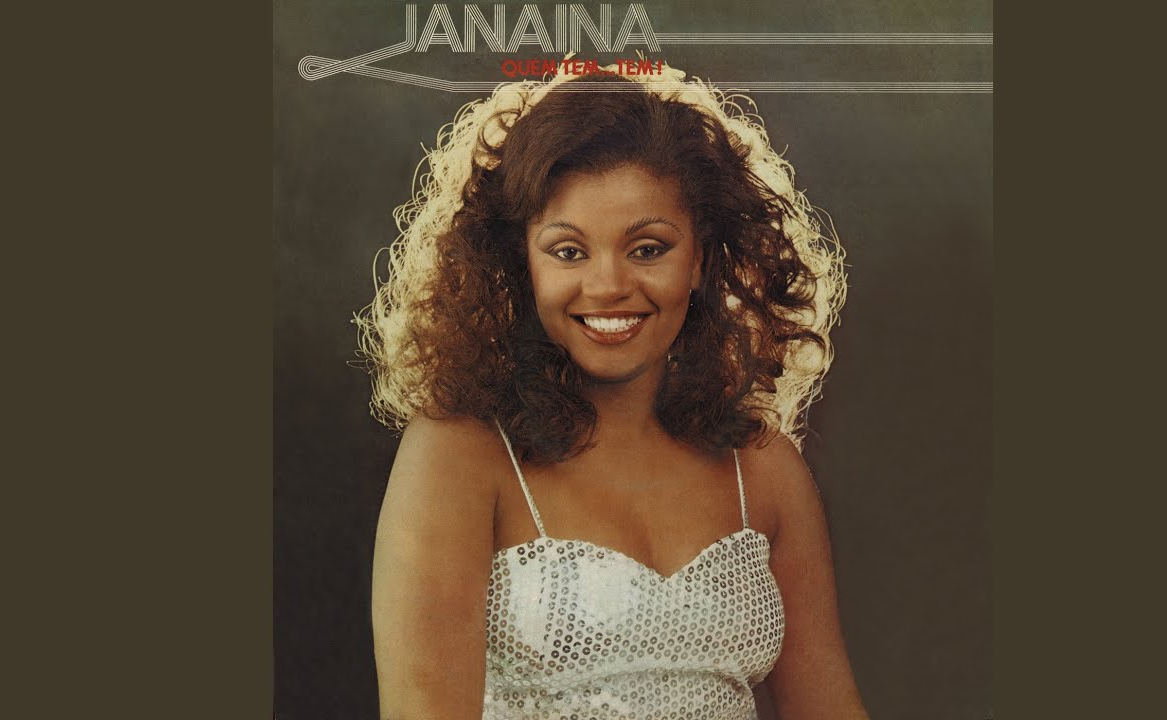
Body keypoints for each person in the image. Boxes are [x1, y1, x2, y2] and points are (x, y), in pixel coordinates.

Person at [360, 65, 868, 719]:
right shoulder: (459, 454)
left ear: (700, 259)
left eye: (648, 249)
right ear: (520, 262)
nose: (607, 287)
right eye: (568, 251)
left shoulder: (764, 470)